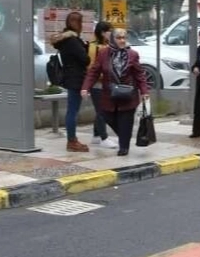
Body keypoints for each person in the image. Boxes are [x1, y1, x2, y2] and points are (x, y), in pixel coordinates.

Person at [81, 28, 149, 156]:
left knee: (126, 121)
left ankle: (124, 147)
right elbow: (94, 72)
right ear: (112, 39)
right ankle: (124, 136)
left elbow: (139, 74)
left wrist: (144, 91)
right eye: (119, 38)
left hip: (128, 94)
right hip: (109, 94)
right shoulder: (103, 53)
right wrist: (86, 87)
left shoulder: (132, 54)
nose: (122, 40)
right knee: (106, 115)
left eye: (124, 38)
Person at [51, 11, 90, 152]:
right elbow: (85, 59)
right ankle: (72, 141)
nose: (82, 25)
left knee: (71, 109)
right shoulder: (72, 41)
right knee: (72, 110)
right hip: (76, 78)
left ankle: (72, 140)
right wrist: (85, 47)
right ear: (77, 23)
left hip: (70, 76)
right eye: (81, 22)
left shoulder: (64, 40)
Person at [86, 21, 118, 149]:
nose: (111, 33)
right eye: (109, 31)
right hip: (98, 84)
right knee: (102, 111)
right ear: (102, 32)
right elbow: (92, 67)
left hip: (106, 83)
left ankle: (96, 135)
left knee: (101, 110)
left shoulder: (107, 45)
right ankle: (104, 137)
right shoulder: (95, 47)